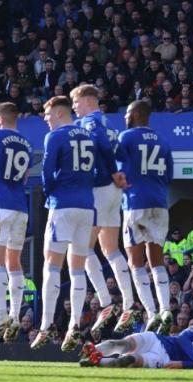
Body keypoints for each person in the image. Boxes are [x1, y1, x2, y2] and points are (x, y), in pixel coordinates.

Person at [31, 96, 96, 352]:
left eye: (47, 116)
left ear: (59, 113)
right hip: (86, 206)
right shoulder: (88, 136)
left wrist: (50, 195)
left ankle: (46, 327)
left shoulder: (56, 137)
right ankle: (74, 326)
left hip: (63, 205)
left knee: (52, 265)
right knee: (77, 268)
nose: (46, 121)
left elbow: (47, 172)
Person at [69, 85, 132, 335]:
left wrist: (112, 172)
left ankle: (105, 302)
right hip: (113, 191)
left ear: (87, 100)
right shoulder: (108, 123)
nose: (74, 107)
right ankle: (127, 303)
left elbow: (103, 149)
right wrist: (120, 174)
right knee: (110, 249)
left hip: (99, 187)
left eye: (76, 101)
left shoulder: (90, 124)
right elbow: (122, 152)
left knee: (82, 249)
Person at [117, 100, 174, 334]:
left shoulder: (126, 137)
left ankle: (151, 313)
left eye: (128, 112)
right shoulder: (163, 141)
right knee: (157, 260)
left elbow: (117, 170)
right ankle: (166, 308)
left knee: (136, 262)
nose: (125, 117)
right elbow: (169, 174)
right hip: (160, 204)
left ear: (138, 114)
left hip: (135, 202)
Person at [0, 102, 33, 343]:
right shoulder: (26, 143)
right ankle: (15, 314)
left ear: (0, 119)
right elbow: (24, 178)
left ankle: (1, 316)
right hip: (20, 206)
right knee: (15, 261)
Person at [79, 325, 193, 369]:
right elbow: (183, 338)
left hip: (165, 359)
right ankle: (92, 350)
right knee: (124, 344)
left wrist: (184, 364)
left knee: (131, 360)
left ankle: (95, 362)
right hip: (157, 340)